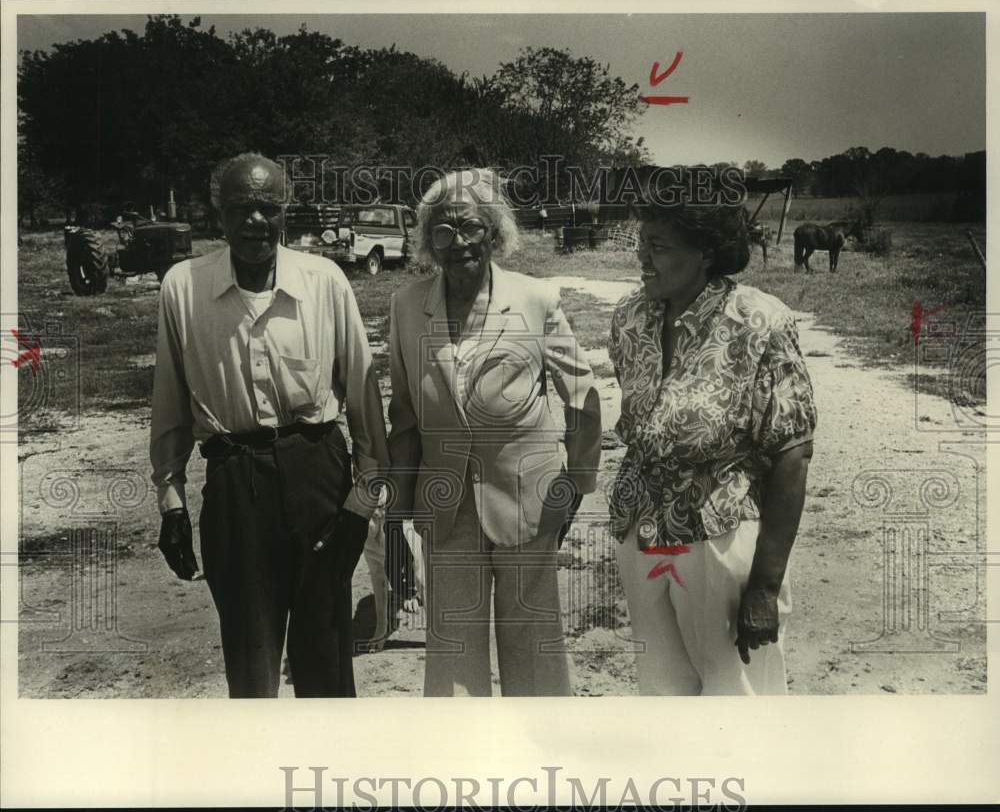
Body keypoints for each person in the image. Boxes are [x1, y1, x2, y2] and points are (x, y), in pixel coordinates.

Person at [150, 152, 389, 698]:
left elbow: (362, 393)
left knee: (326, 654)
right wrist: (172, 502)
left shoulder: (324, 281)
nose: (255, 221)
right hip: (236, 484)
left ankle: (329, 779)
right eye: (241, 208)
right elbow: (169, 402)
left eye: (268, 208)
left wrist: (364, 499)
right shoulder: (183, 287)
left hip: (319, 475)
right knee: (250, 661)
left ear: (286, 212)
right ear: (218, 212)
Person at [385, 168, 602, 696]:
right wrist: (396, 511)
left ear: (494, 232)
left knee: (532, 643)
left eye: (471, 228)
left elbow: (583, 398)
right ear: (427, 242)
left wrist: (575, 483)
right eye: (443, 231)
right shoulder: (407, 306)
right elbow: (405, 415)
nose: (458, 243)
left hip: (530, 498)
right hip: (444, 502)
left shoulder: (535, 299)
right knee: (453, 651)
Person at [607, 167, 817, 695]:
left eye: (657, 245)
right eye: (640, 242)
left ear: (704, 252)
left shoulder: (761, 322)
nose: (642, 257)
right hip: (641, 531)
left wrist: (765, 587)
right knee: (661, 695)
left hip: (720, 540)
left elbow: (793, 454)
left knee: (737, 699)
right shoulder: (629, 317)